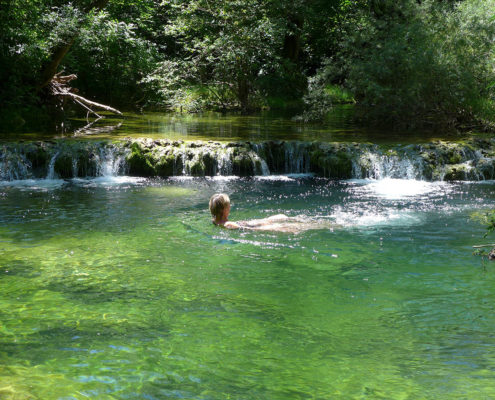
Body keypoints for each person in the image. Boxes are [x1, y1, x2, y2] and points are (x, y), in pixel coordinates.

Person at [209, 193, 334, 233]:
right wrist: (272, 228)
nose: (230, 207)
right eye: (229, 205)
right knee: (291, 226)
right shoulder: (228, 224)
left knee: (281, 216)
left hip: (250, 223)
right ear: (225, 209)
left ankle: (315, 223)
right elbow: (248, 229)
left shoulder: (215, 221)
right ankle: (321, 224)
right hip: (253, 226)